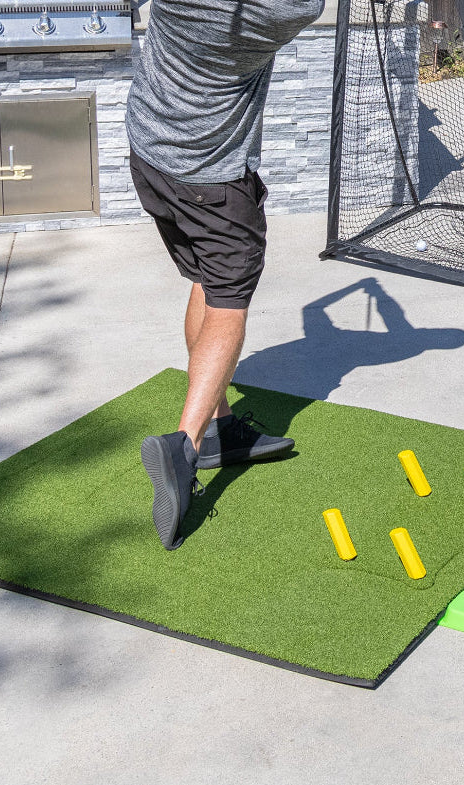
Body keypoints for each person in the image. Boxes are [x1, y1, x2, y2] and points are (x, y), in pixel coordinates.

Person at [126, 0, 325, 550]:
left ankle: (221, 428)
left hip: (150, 155)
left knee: (207, 282)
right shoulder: (289, 12)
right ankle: (185, 448)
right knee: (229, 299)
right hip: (213, 181)